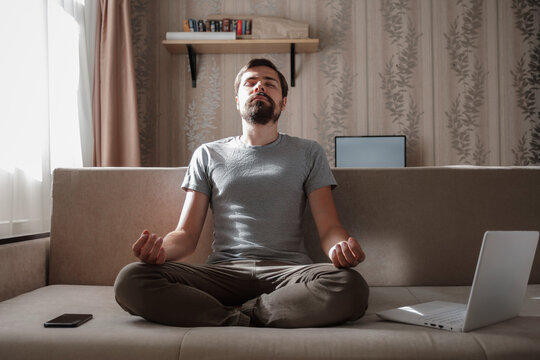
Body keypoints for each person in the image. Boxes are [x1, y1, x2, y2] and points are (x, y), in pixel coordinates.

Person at [114, 58, 369, 328]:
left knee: (350, 285)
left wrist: (340, 249)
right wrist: (160, 251)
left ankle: (240, 314)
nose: (260, 86)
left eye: (269, 83)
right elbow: (186, 236)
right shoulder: (208, 154)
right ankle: (245, 316)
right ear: (237, 100)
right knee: (132, 279)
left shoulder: (309, 152)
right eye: (251, 82)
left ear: (283, 102)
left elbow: (329, 228)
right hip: (223, 274)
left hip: (288, 274)